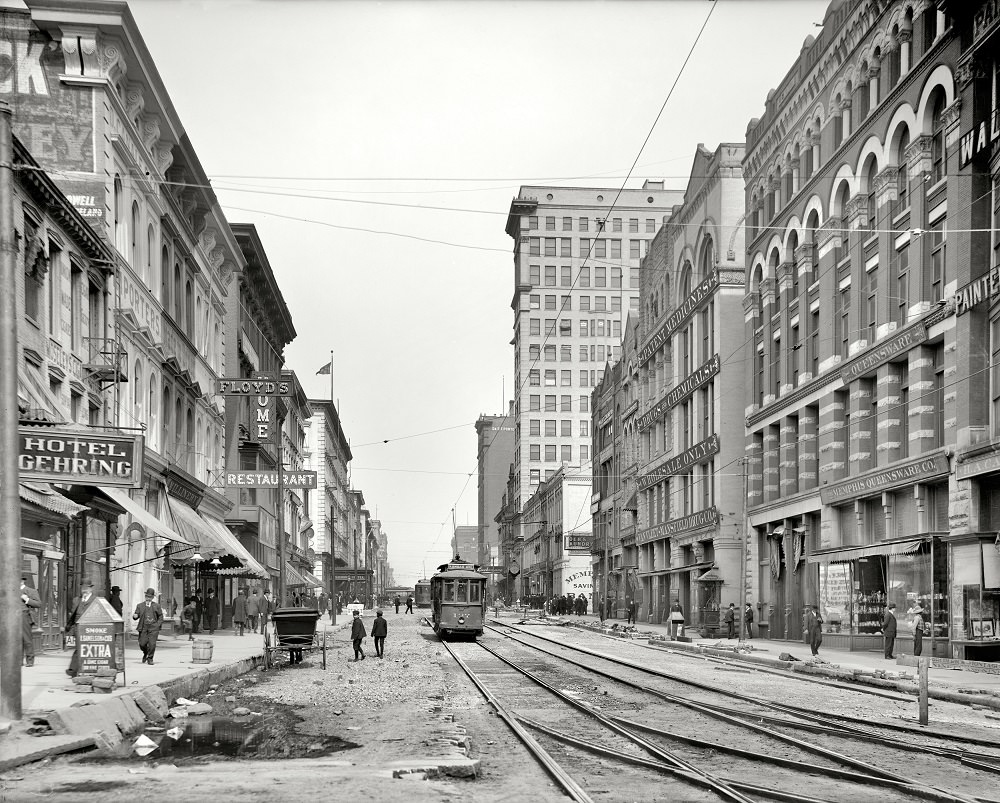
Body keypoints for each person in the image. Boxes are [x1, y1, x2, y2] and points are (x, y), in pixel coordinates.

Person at [66, 579, 97, 677]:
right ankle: (74, 669)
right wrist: (69, 627)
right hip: (77, 628)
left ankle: (78, 669)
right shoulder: (76, 600)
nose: (84, 590)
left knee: (86, 648)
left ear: (91, 588)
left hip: (90, 628)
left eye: (86, 588)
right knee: (79, 647)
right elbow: (73, 614)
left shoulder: (95, 600)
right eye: (83, 588)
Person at [133, 587, 164, 665]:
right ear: (145, 596)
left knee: (152, 644)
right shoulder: (140, 606)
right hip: (143, 627)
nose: (148, 598)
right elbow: (136, 615)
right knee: (142, 644)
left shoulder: (156, 606)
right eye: (147, 596)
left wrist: (158, 625)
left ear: (153, 597)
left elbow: (160, 616)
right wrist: (135, 616)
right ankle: (145, 652)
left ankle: (150, 658)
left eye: (150, 597)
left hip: (153, 628)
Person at [20, 576, 41, 667]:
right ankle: (18, 661)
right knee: (16, 639)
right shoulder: (12, 591)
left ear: (22, 581)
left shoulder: (30, 591)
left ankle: (30, 660)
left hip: (25, 616)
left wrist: (27, 599)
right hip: (13, 617)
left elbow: (38, 604)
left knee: (26, 639)